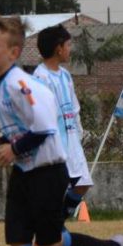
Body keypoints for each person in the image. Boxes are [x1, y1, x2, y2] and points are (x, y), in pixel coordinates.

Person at [0, 13, 123, 246]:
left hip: (47, 172)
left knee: (49, 241)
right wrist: (0, 141)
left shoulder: (21, 84)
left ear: (13, 52)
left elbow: (45, 126)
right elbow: (21, 127)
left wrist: (14, 148)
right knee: (18, 239)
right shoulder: (3, 85)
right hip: (26, 172)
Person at [33, 24, 92, 221]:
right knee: (54, 189)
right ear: (58, 48)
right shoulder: (41, 77)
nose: (70, 49)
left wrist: (79, 129)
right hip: (55, 143)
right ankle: (47, 225)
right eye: (68, 44)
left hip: (71, 139)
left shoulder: (65, 76)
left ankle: (58, 220)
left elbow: (74, 106)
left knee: (82, 183)